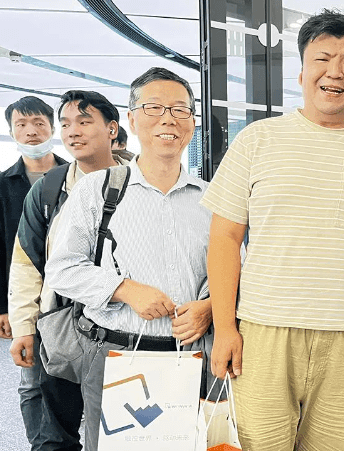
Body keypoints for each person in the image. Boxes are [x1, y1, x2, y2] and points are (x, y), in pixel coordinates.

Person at [201, 8, 344, 451]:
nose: (335, 72)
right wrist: (225, 327)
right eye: (323, 59)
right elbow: (224, 238)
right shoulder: (257, 139)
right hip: (264, 335)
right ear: (301, 72)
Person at [45, 67, 212, 451]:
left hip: (190, 359)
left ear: (192, 122)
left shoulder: (211, 199)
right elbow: (62, 269)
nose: (168, 119)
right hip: (114, 356)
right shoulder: (98, 190)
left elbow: (237, 271)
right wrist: (123, 288)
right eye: (154, 108)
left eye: (180, 109)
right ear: (132, 121)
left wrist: (209, 307)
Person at [8, 90, 131, 451]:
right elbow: (27, 263)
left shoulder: (138, 182)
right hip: (60, 324)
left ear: (112, 129)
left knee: (122, 427)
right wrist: (24, 327)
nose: (73, 131)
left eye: (84, 121)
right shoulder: (49, 189)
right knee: (54, 433)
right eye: (65, 124)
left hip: (124, 324)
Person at [0, 96, 67, 449]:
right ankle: (41, 445)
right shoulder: (3, 184)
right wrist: (4, 307)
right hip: (26, 297)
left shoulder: (75, 175)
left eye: (39, 123)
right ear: (11, 132)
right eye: (21, 125)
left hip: (69, 296)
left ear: (52, 128)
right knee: (31, 381)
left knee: (69, 380)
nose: (31, 131)